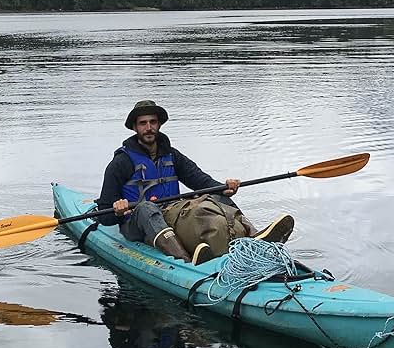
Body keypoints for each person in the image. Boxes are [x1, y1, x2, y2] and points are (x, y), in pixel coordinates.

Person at [97, 99, 294, 264]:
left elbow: (199, 179)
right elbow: (104, 216)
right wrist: (118, 209)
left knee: (214, 193)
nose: (149, 128)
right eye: (143, 123)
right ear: (134, 127)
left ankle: (254, 238)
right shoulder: (121, 162)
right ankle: (185, 260)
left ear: (159, 124)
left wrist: (224, 188)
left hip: (168, 216)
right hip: (136, 224)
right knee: (146, 207)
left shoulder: (172, 155)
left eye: (153, 122)